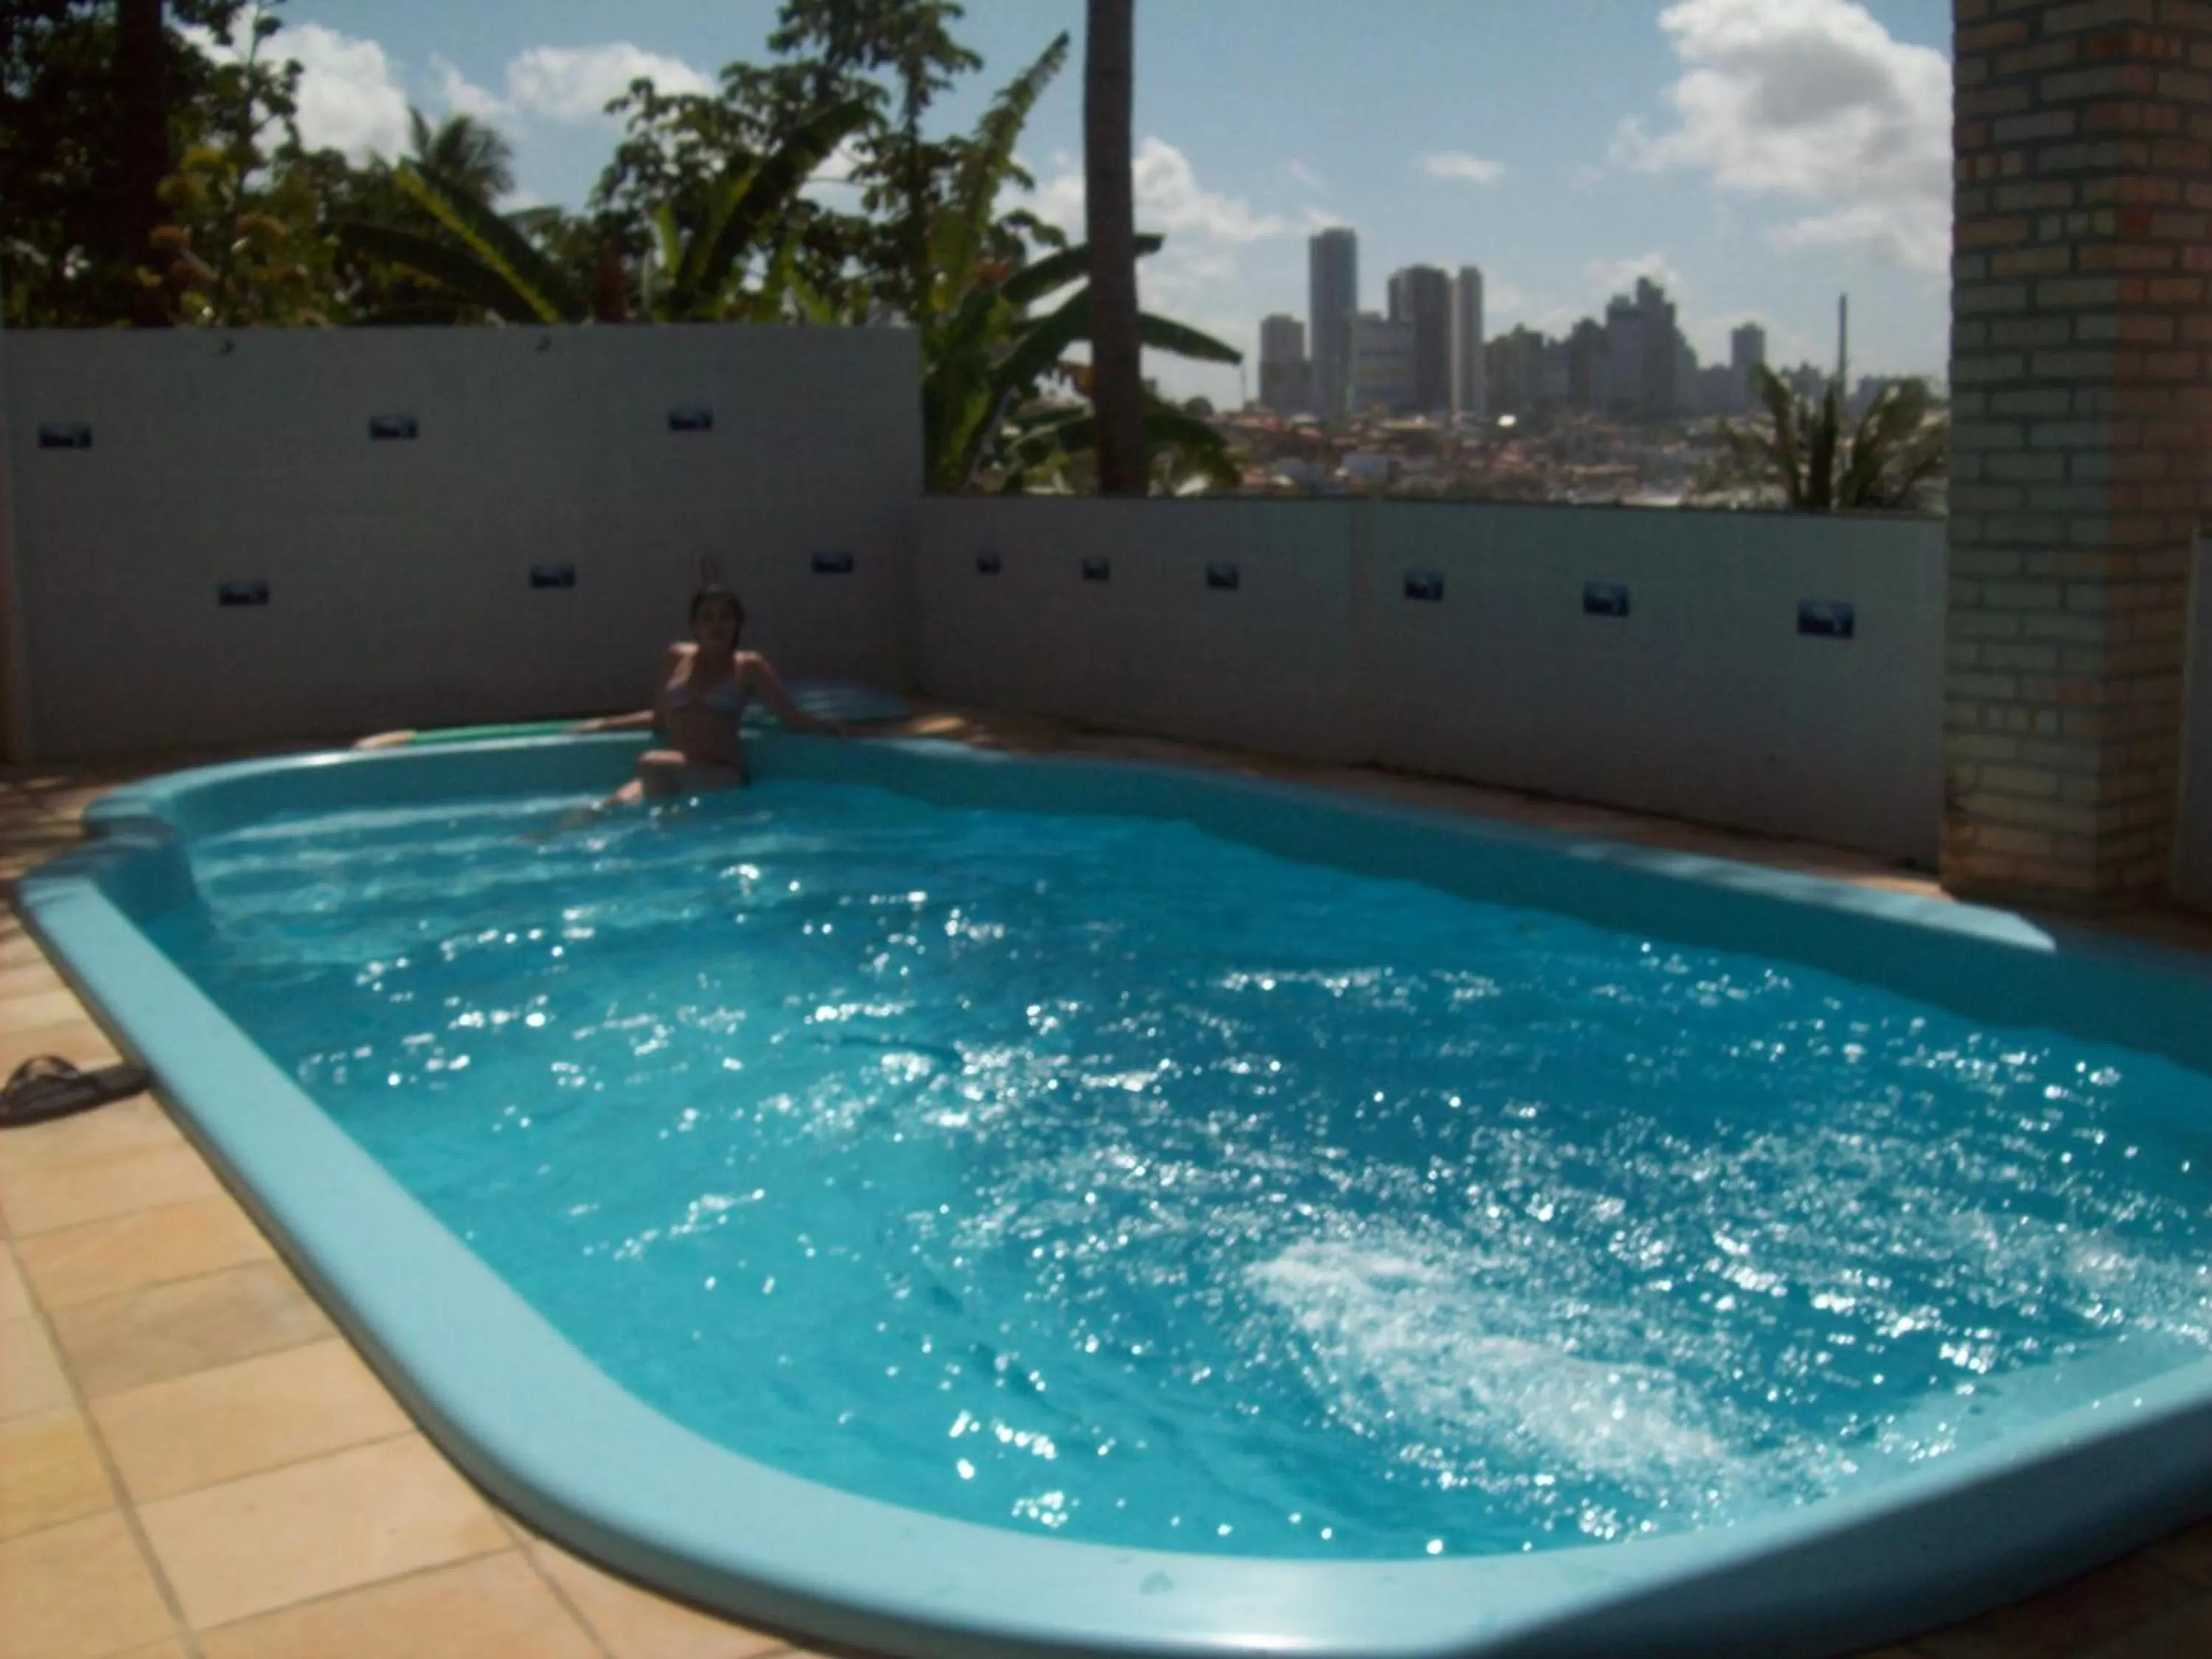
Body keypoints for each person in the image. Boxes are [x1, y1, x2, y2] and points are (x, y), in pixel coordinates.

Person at [574, 581, 849, 803]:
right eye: (707, 618)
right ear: (694, 626)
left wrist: (842, 729)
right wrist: (602, 723)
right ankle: (544, 837)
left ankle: (666, 835)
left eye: (725, 617)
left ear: (737, 624)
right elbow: (659, 719)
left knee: (651, 763)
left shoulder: (748, 665)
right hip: (674, 771)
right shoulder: (676, 658)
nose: (716, 626)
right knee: (603, 809)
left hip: (719, 775)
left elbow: (791, 718)